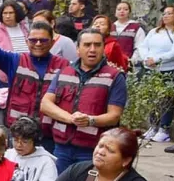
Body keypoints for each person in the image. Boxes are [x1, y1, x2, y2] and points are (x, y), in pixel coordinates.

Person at [40, 28, 127, 172]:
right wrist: (71, 119)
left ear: (103, 48)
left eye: (97, 45)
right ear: (78, 49)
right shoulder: (64, 72)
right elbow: (45, 104)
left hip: (93, 149)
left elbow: (114, 116)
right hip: (61, 147)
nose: (92, 49)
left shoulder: (115, 77)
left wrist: (90, 121)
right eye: (87, 45)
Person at [134, 4, 174, 142]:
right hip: (150, 69)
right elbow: (143, 46)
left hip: (169, 70)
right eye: (164, 13)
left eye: (169, 13)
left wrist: (157, 59)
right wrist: (146, 58)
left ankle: (164, 129)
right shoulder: (154, 31)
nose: (165, 16)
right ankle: (153, 126)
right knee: (152, 99)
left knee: (166, 100)